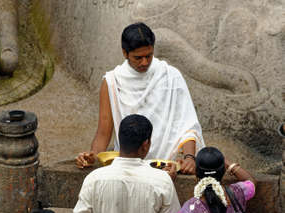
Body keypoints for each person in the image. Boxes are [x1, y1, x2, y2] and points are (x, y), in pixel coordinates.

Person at [76, 22, 204, 175]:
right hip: (129, 165)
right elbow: (103, 132)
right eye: (138, 58)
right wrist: (92, 157)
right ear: (125, 53)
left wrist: (190, 157)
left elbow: (187, 125)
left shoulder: (171, 76)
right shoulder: (112, 82)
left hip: (169, 165)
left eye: (148, 56)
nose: (144, 62)